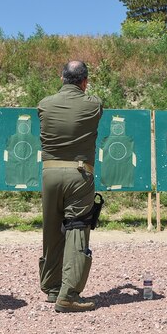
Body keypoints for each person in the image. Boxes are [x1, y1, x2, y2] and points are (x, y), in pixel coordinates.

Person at [37, 61, 103, 313]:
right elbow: (94, 101)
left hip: (50, 172)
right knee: (76, 228)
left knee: (52, 230)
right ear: (85, 81)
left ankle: (52, 287)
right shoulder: (93, 104)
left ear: (61, 77)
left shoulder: (44, 104)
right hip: (79, 173)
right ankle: (69, 294)